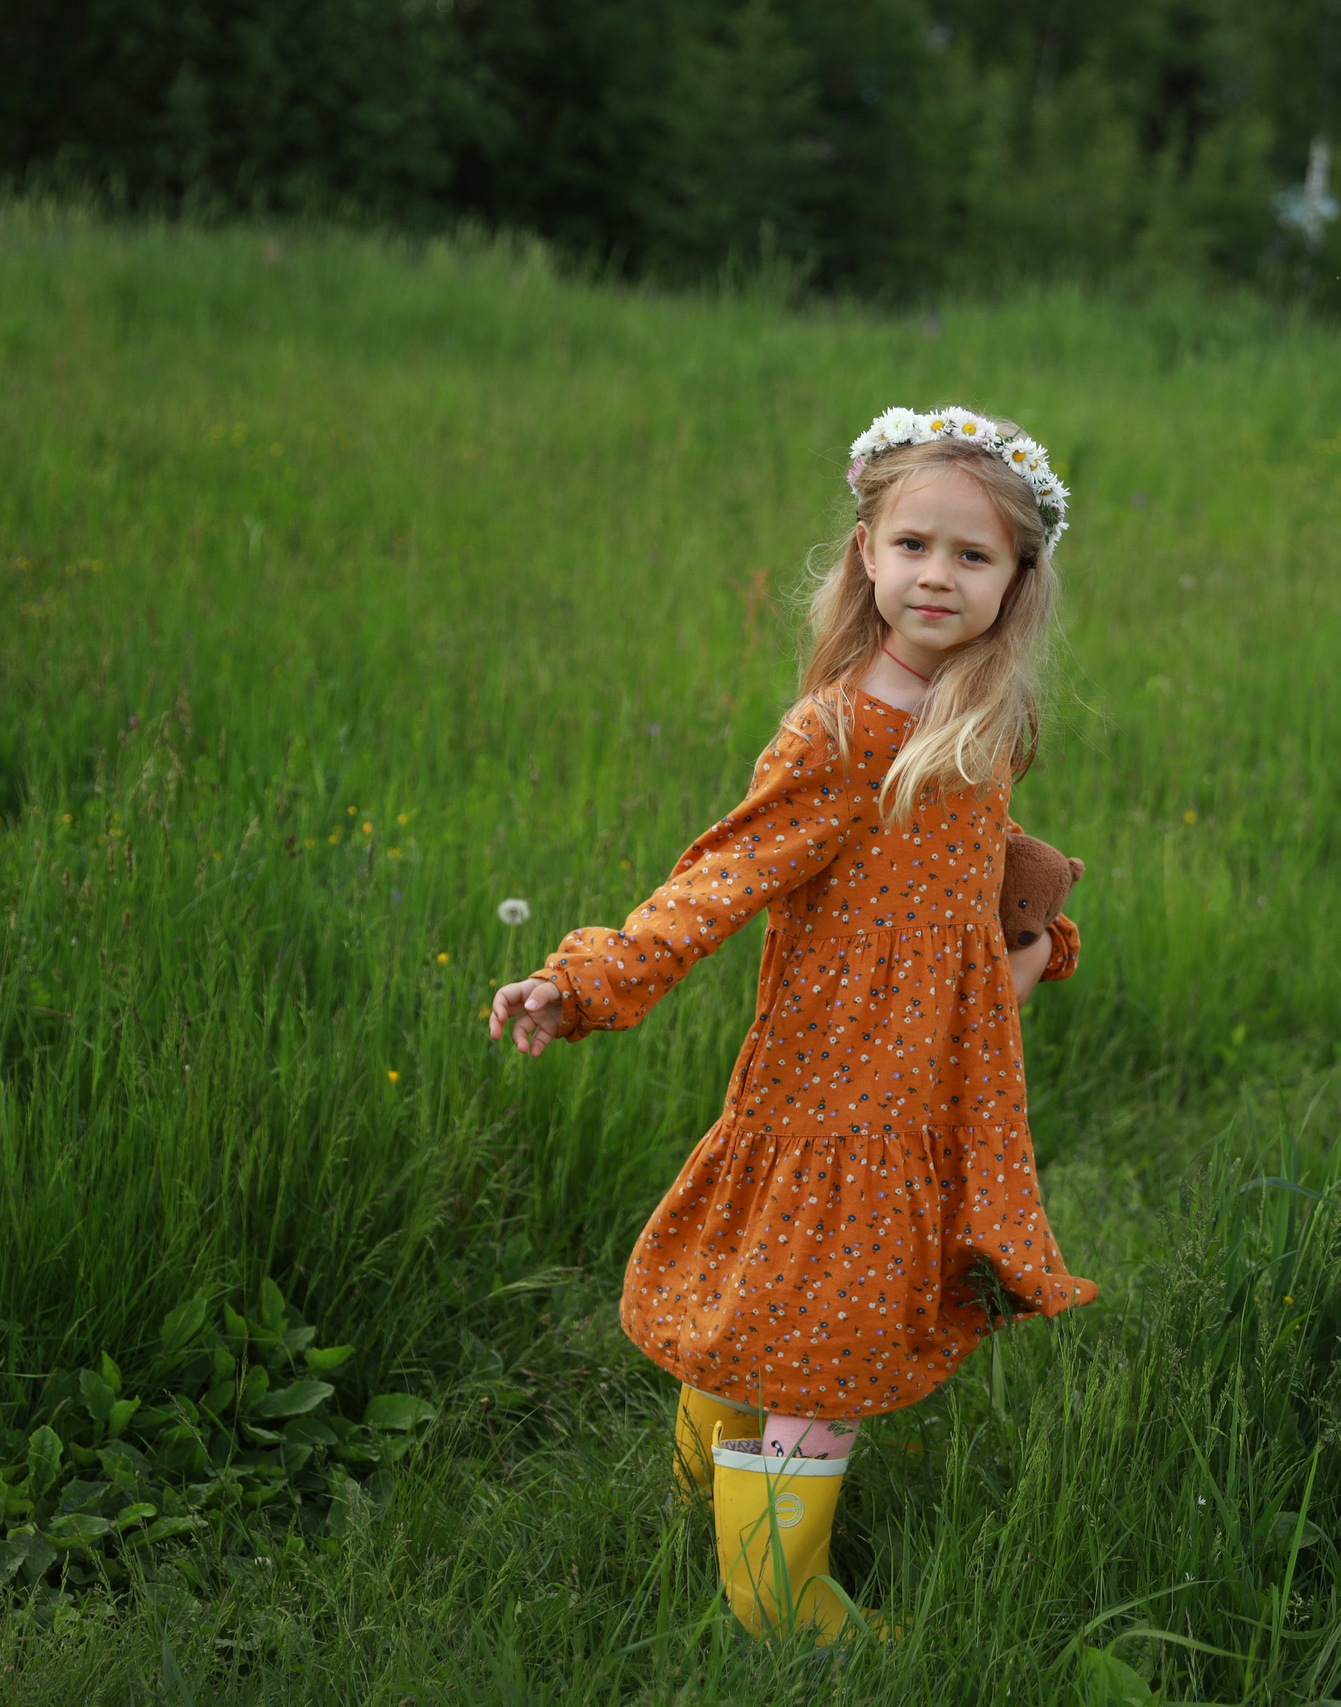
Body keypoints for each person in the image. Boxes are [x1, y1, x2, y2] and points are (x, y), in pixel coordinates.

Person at [487, 405, 1097, 1642]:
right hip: (840, 1087)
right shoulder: (836, 734)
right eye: (913, 544)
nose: (937, 575)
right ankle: (779, 1599)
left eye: (972, 556)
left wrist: (1021, 930)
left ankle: (705, 1483)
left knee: (788, 1291)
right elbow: (718, 880)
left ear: (1016, 580)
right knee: (832, 1326)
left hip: (921, 1071)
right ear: (865, 554)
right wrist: (584, 981)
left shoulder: (975, 716)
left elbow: (949, 854)